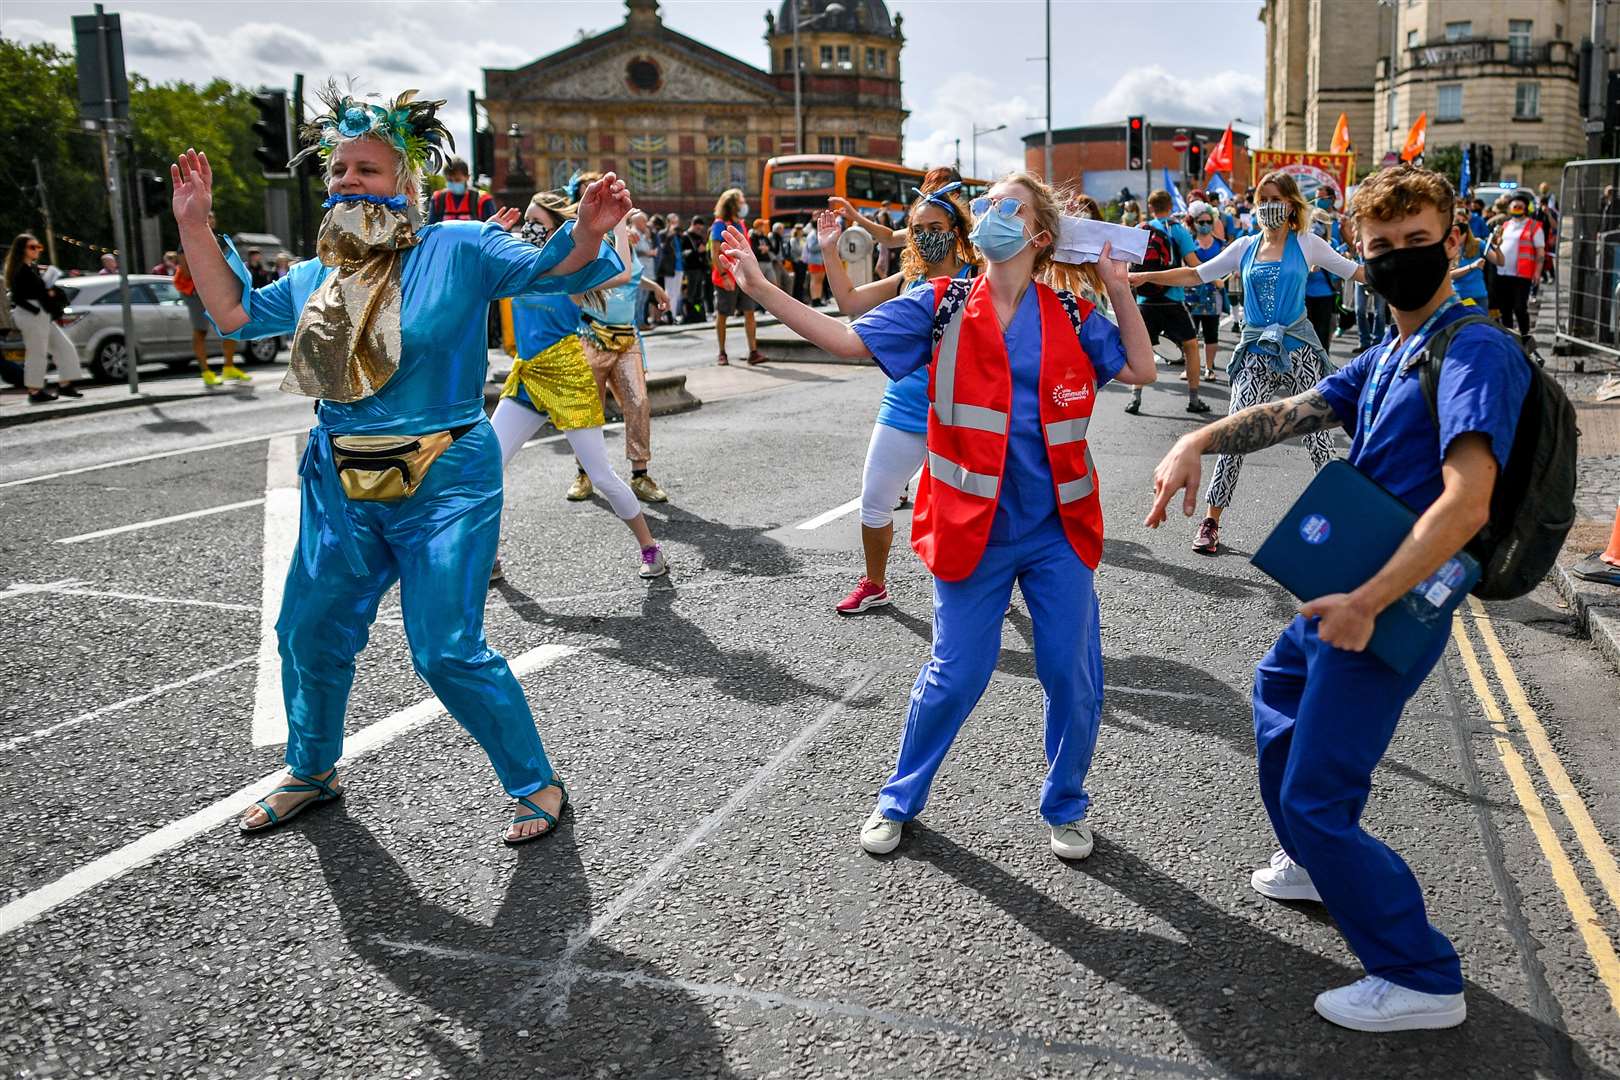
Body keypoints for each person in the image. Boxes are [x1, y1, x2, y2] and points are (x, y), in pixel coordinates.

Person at [170, 85, 626, 844]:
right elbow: (237, 312)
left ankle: (534, 782)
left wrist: (584, 230)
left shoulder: (461, 247)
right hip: (339, 480)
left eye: (368, 170)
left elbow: (556, 270)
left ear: (406, 185)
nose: (348, 180)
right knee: (307, 632)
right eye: (339, 169)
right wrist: (196, 225)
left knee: (445, 650)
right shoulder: (322, 275)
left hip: (446, 477)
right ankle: (312, 771)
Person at [1146, 163, 1528, 1033]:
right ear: (1357, 255)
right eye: (1381, 247)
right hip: (1346, 588)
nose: (1399, 259)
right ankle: (1319, 861)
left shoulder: (1472, 349)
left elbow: (1467, 500)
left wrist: (1367, 602)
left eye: (1418, 243)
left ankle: (1419, 973)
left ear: (1454, 244)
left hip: (1389, 596)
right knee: (1278, 687)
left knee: (1318, 793)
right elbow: (1302, 408)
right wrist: (1200, 437)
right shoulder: (1396, 349)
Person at [717, 170, 1157, 861]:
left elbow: (1139, 368)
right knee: (957, 675)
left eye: (1006, 208)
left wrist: (1119, 286)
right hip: (969, 528)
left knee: (1072, 674)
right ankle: (898, 798)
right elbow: (847, 342)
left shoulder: (1070, 315)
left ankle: (1067, 804)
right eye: (986, 207)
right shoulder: (942, 303)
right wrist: (761, 289)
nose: (988, 216)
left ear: (1039, 237)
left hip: (1056, 532)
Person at [1131, 170, 1364, 556]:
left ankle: (1343, 517)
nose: (1267, 208)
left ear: (1290, 205)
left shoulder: (1308, 243)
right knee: (1236, 430)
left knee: (1317, 436)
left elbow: (1356, 272)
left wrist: (1427, 278)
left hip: (1298, 345)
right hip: (1256, 348)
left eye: (1275, 200)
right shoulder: (1244, 247)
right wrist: (1145, 277)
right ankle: (1211, 521)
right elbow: (1196, 274)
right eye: (1261, 200)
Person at [814, 174, 980, 615]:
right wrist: (830, 249)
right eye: (919, 230)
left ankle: (985, 585)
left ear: (957, 233)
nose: (926, 238)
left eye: (936, 230)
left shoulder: (981, 278)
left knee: (966, 512)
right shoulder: (908, 281)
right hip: (904, 408)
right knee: (874, 500)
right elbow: (849, 301)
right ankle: (874, 583)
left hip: (962, 414)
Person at [490, 190, 667, 581]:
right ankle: (490, 558)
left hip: (569, 375)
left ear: (554, 230)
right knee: (486, 465)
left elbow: (621, 272)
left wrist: (618, 226)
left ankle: (650, 548)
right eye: (527, 223)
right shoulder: (516, 266)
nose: (528, 229)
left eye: (537, 223)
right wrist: (488, 234)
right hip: (528, 375)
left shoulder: (570, 273)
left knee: (600, 475)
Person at [571, 173, 673, 503]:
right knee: (588, 408)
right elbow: (580, 289)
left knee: (639, 402)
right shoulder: (583, 242)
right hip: (592, 336)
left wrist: (656, 288)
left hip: (627, 338)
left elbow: (633, 277)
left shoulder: (624, 239)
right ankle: (584, 473)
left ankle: (640, 475)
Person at [1125, 189, 1208, 416]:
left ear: (1151, 207)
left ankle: (1135, 397)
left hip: (1145, 299)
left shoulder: (1139, 230)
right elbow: (1192, 263)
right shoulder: (1178, 230)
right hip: (1173, 299)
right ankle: (1194, 399)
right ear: (1170, 206)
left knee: (1139, 348)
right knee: (1191, 346)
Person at [5, 232, 84, 404]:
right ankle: (34, 392)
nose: (37, 250)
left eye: (38, 247)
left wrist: (48, 291)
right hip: (31, 314)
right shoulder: (20, 270)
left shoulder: (32, 268)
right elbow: (17, 298)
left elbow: (37, 291)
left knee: (65, 347)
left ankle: (65, 384)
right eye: (32, 247)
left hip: (41, 314)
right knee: (37, 353)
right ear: (22, 250)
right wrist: (36, 309)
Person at [174, 215, 251, 387]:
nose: (211, 219)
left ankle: (229, 367)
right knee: (200, 330)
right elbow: (185, 269)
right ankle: (206, 372)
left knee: (232, 324)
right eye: (207, 216)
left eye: (213, 217)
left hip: (214, 287)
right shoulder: (190, 237)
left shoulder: (217, 238)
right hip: (193, 290)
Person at [709, 189, 763, 365]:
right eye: (741, 201)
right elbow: (715, 252)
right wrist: (724, 275)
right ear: (732, 204)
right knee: (723, 314)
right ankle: (722, 353)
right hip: (727, 275)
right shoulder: (719, 224)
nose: (744, 204)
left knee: (750, 312)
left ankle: (753, 352)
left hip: (744, 275)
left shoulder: (741, 223)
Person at [1486, 189, 1542, 349]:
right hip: (1503, 274)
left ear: (1525, 208)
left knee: (1519, 307)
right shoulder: (1505, 225)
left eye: (1520, 206)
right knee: (1505, 309)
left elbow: (1540, 252)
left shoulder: (1534, 226)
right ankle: (1510, 339)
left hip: (1522, 275)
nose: (1516, 208)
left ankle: (1525, 337)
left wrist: (1537, 272)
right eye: (1514, 206)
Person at [1185, 201, 1227, 384]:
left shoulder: (1221, 245)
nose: (1205, 225)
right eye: (1201, 222)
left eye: (1208, 221)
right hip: (1190, 295)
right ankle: (1190, 369)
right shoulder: (1188, 244)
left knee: (1211, 333)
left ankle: (1209, 368)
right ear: (1193, 222)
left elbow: (1229, 267)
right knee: (1189, 335)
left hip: (1213, 296)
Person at [427, 157, 495, 223]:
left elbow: (491, 229)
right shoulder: (438, 199)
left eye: (457, 180)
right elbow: (431, 227)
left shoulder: (482, 199)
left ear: (467, 177)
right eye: (449, 180)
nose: (453, 183)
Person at [1449, 206, 1489, 308]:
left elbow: (1500, 261)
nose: (1462, 223)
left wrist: (1496, 248)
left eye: (1464, 221)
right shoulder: (1448, 247)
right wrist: (1472, 266)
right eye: (1458, 221)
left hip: (1479, 296)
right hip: (1459, 297)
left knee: (1480, 323)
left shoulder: (1477, 243)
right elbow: (1450, 274)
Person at [681, 217, 710, 323]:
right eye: (697, 228)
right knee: (690, 295)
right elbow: (683, 254)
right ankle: (688, 315)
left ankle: (698, 314)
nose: (699, 230)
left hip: (699, 269)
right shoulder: (685, 236)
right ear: (693, 225)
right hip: (690, 270)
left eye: (701, 228)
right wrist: (696, 251)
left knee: (699, 296)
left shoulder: (699, 236)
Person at [658, 212, 683, 326]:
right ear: (668, 222)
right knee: (669, 292)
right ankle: (667, 315)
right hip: (670, 267)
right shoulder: (663, 234)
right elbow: (662, 249)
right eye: (673, 222)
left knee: (677, 293)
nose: (675, 224)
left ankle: (673, 315)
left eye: (676, 222)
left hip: (679, 267)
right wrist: (669, 235)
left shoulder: (678, 234)